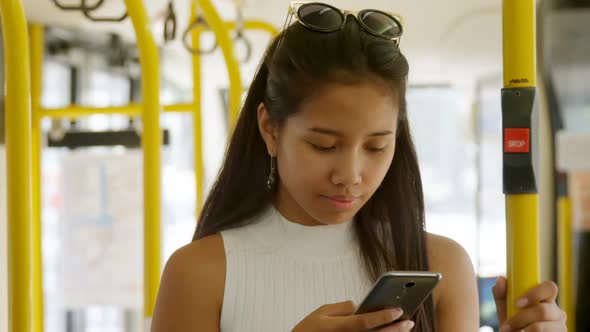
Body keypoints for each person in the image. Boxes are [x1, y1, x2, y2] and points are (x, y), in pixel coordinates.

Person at [151, 3, 566, 331]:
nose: (350, 174)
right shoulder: (200, 275)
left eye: (376, 147)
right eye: (324, 145)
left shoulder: (440, 265)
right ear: (270, 129)